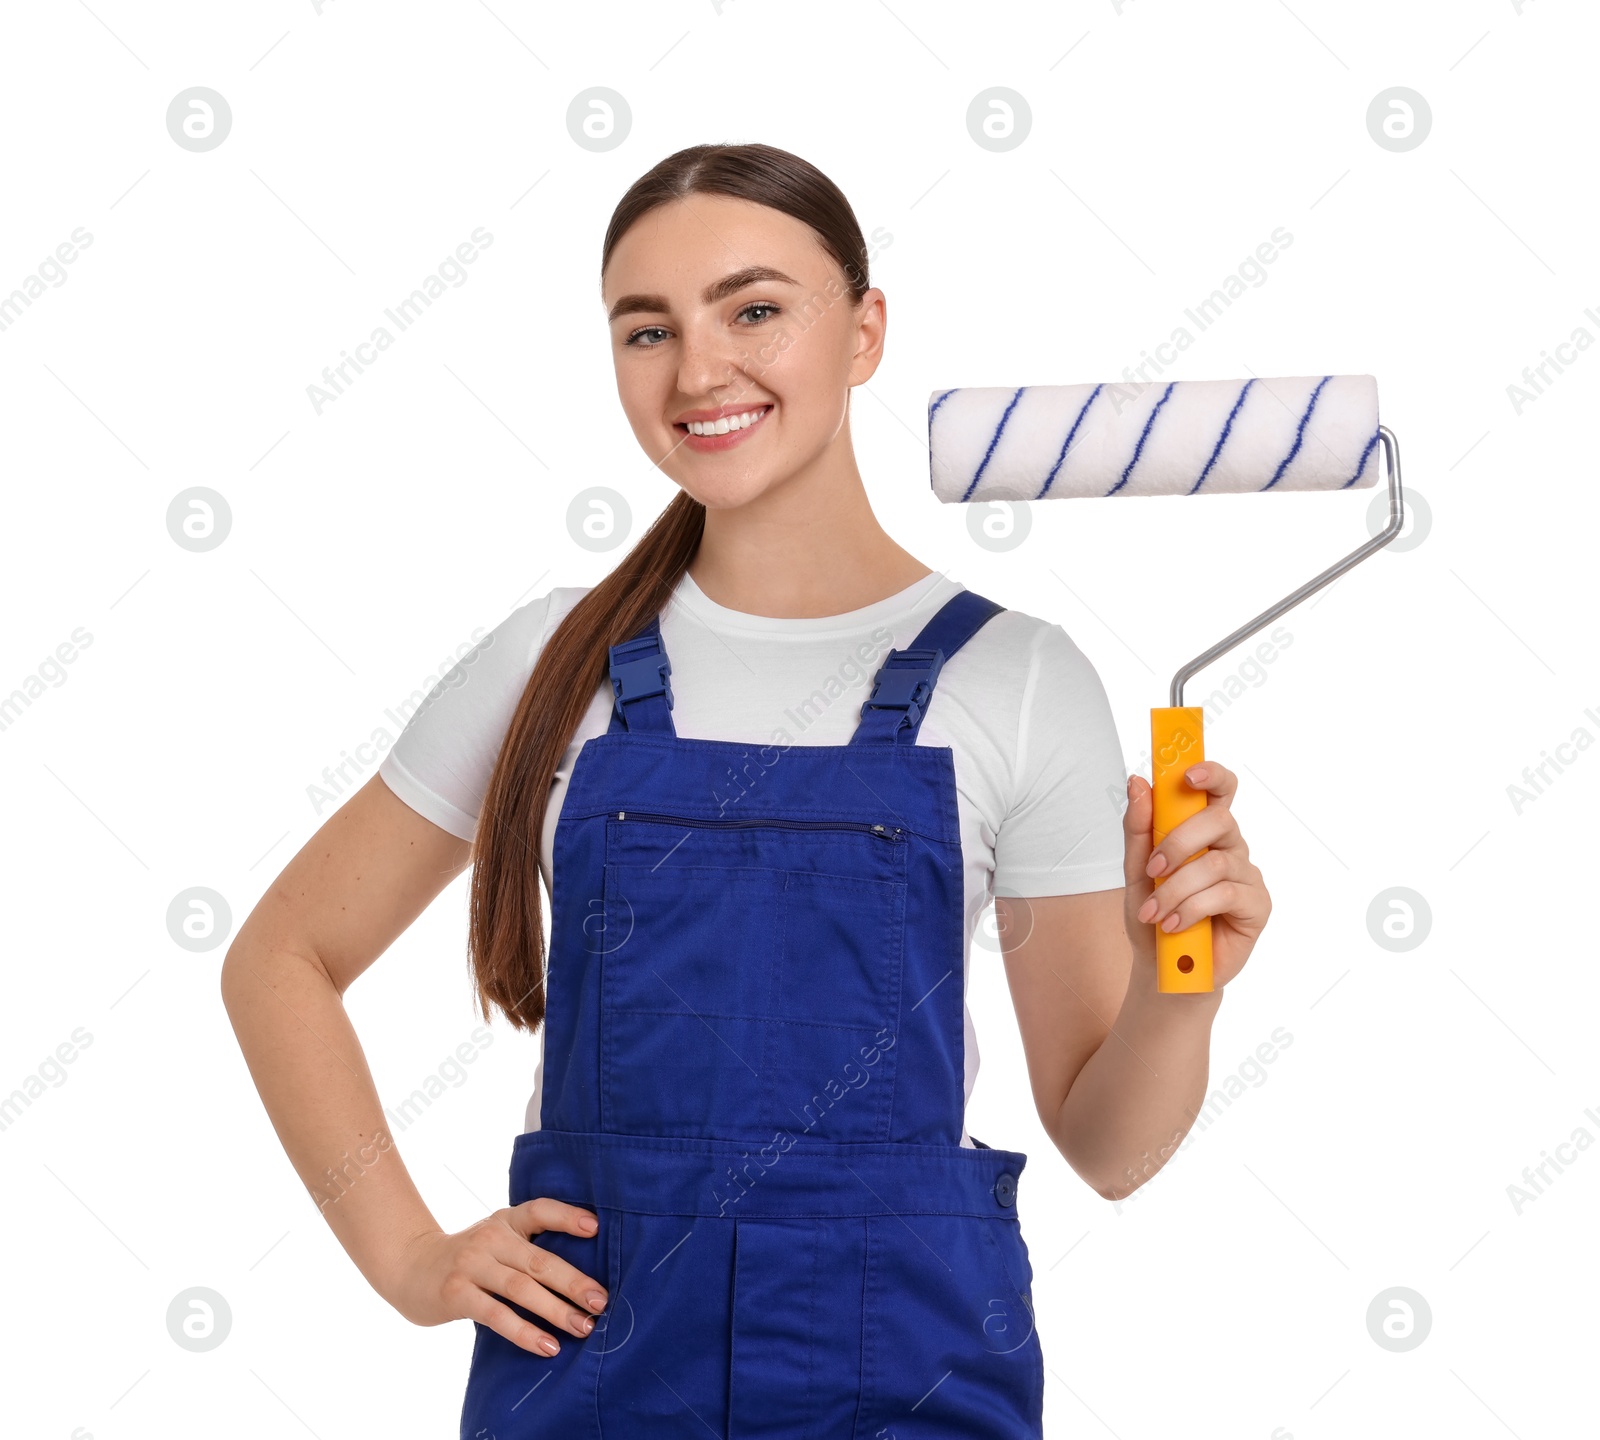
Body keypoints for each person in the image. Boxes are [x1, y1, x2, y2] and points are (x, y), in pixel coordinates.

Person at [221, 141, 1272, 1438]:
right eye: (646, 330)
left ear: (865, 329)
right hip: (600, 1370)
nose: (699, 370)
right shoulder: (554, 663)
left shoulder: (1019, 679)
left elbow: (1114, 1154)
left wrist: (1188, 996)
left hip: (913, 1373)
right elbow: (280, 958)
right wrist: (407, 1257)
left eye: (756, 309)